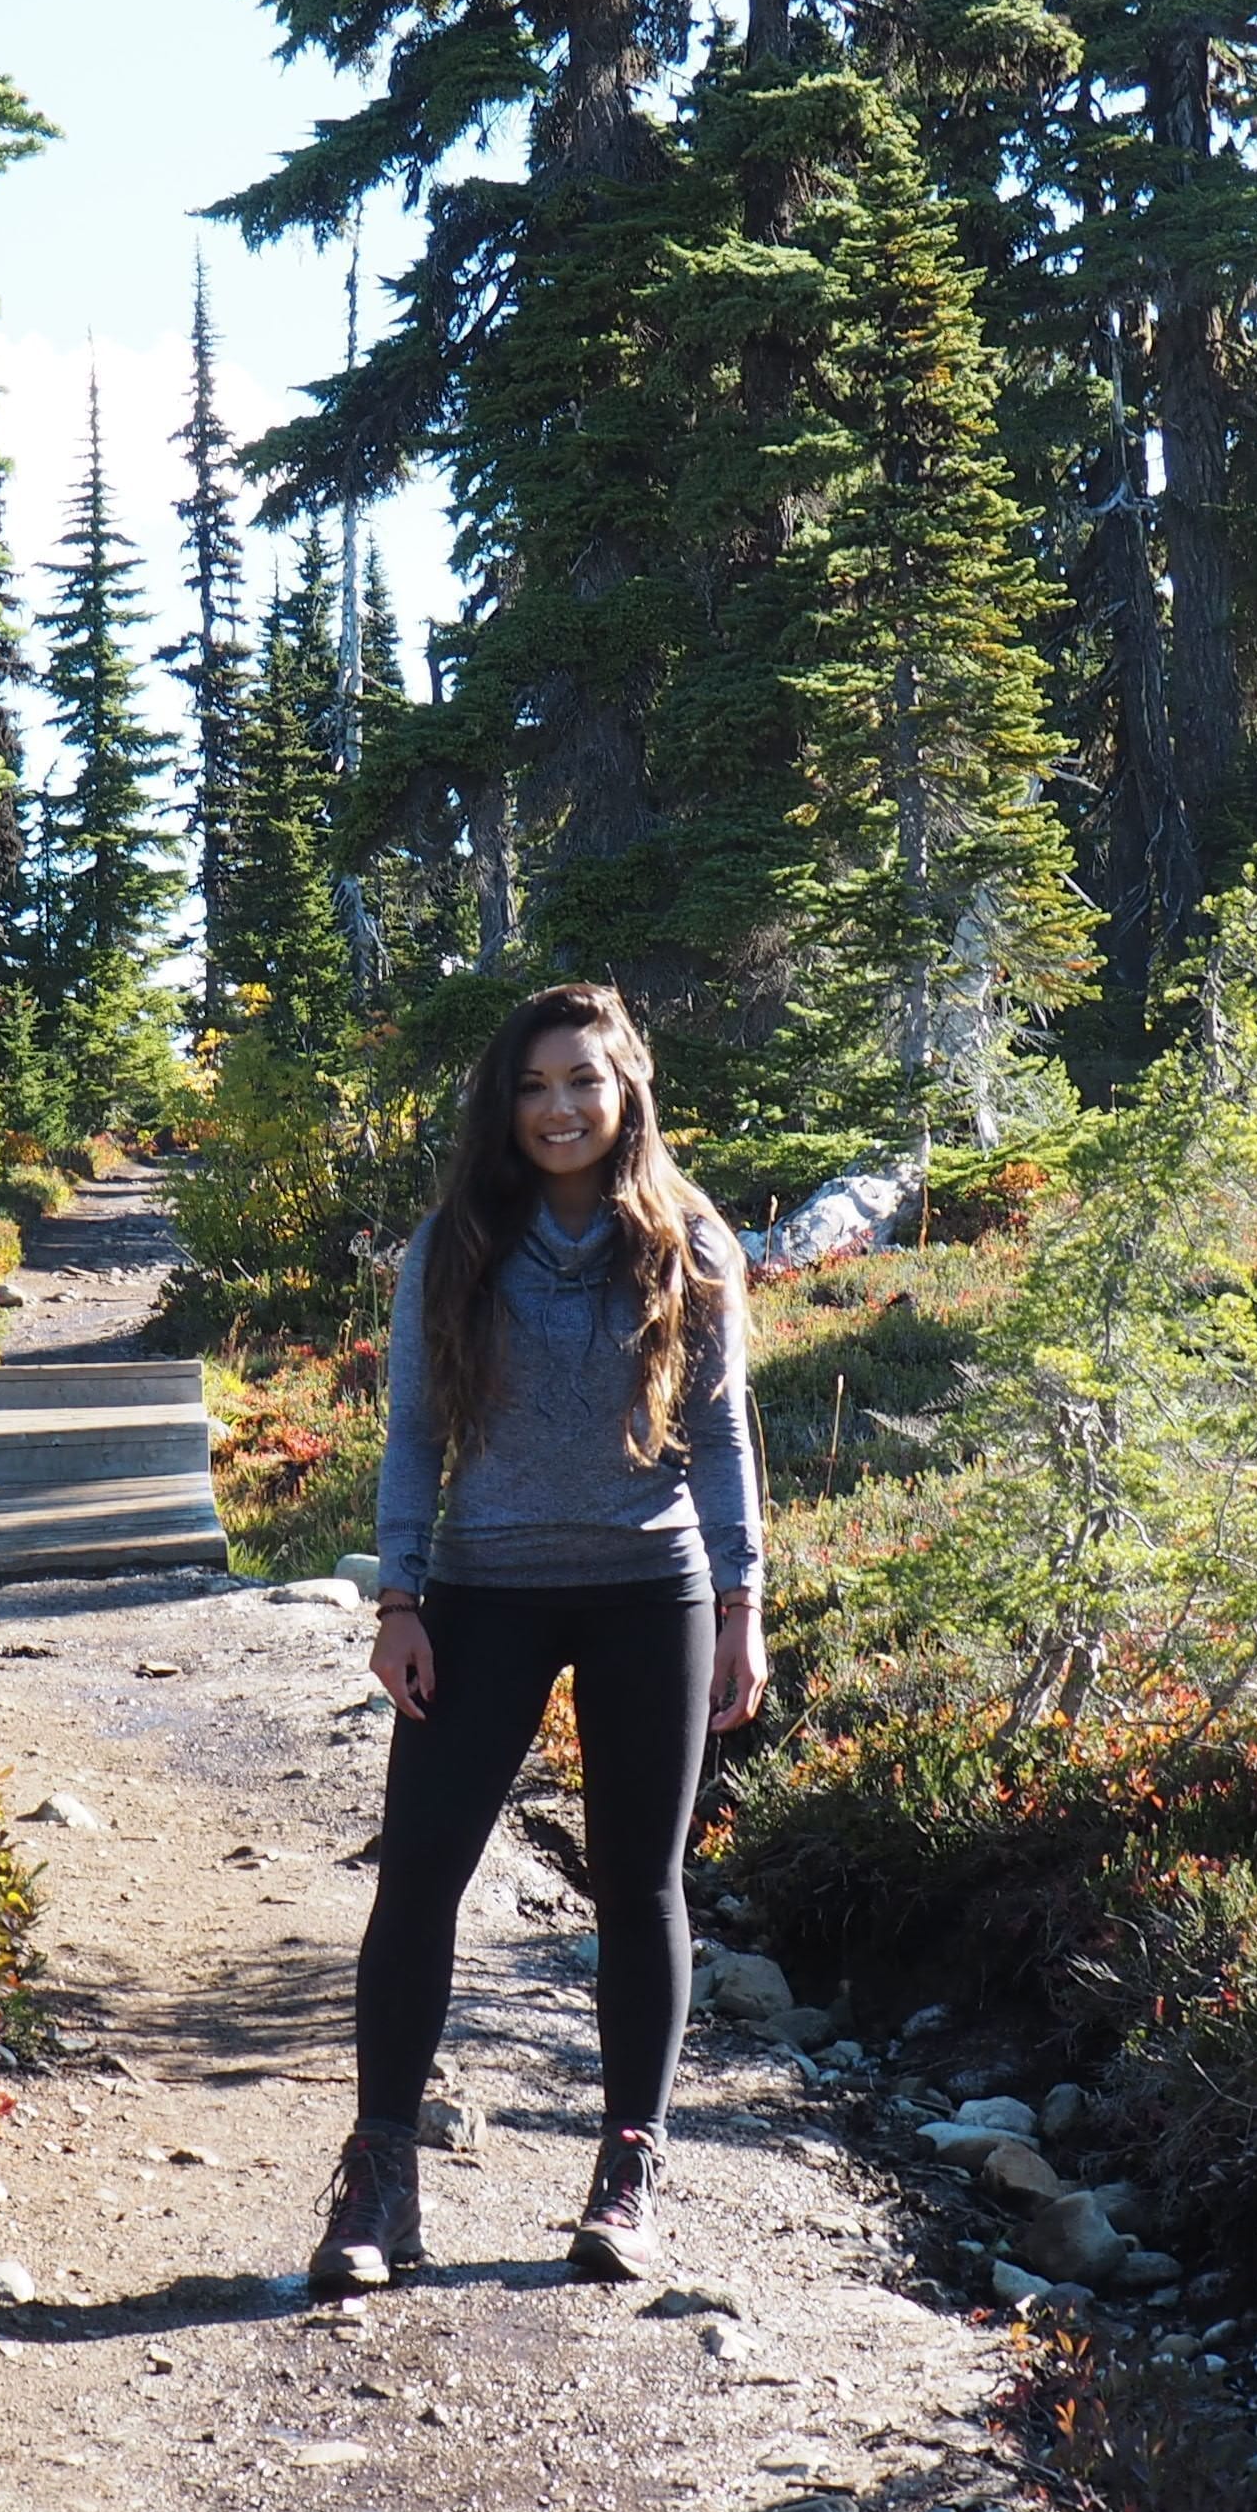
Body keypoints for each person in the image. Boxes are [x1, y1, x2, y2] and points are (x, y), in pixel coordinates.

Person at [315, 982, 767, 2294]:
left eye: (582, 1082)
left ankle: (627, 2176)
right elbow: (411, 1436)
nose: (558, 1108)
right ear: (503, 1109)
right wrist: (399, 1602)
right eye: (532, 1087)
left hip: (652, 1593)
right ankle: (380, 2184)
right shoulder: (455, 1244)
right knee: (419, 1880)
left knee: (639, 1888)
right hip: (482, 1594)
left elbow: (727, 1439)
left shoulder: (689, 1241)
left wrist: (744, 1604)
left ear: (625, 1092)